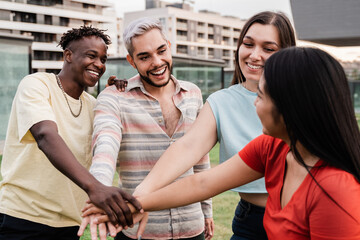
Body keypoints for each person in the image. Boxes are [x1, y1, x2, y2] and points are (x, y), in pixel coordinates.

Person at [87, 47, 360, 239]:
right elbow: (202, 183)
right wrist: (137, 204)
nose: (254, 104)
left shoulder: (335, 190)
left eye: (261, 96)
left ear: (292, 107)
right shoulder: (273, 149)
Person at [133, 11, 296, 240]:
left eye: (268, 49)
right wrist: (140, 195)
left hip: (300, 217)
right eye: (248, 44)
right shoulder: (222, 101)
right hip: (251, 220)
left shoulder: (302, 100)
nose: (254, 55)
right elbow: (188, 148)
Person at [0, 26, 141, 240]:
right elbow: (45, 135)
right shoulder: (37, 84)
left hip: (69, 224)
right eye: (91, 56)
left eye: (103, 59)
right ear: (68, 55)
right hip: (23, 218)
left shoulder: (94, 105)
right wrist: (95, 188)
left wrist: (116, 97)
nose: (99, 65)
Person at [83, 17, 214, 240]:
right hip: (138, 231)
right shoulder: (114, 98)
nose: (157, 62)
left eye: (161, 50)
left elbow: (200, 156)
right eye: (144, 57)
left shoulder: (193, 94)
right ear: (131, 61)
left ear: (169, 47)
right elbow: (105, 145)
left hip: (192, 228)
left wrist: (206, 210)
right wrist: (101, 190)